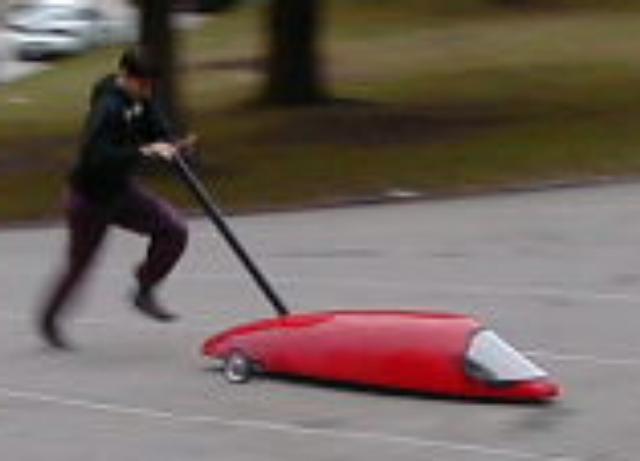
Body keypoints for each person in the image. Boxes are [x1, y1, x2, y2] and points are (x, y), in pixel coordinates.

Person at [38, 47, 189, 350]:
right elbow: (95, 156)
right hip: (89, 199)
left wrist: (172, 143)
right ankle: (49, 320)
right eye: (142, 85)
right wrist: (142, 152)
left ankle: (144, 288)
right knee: (80, 265)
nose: (148, 92)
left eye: (151, 86)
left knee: (174, 230)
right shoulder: (107, 106)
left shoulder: (141, 98)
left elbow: (156, 126)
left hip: (121, 191)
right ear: (125, 77)